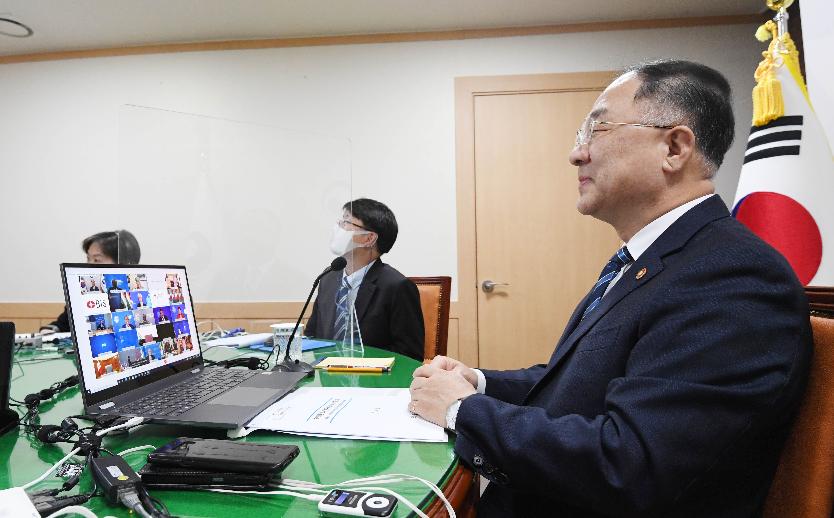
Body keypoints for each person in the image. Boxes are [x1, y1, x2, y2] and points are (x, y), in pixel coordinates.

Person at [409, 60, 812, 517]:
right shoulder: (655, 258)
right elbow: (579, 386)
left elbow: (632, 465)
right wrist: (479, 383)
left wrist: (463, 412)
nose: (576, 154)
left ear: (675, 148)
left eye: (597, 131)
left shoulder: (732, 278)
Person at [306, 198, 425, 361]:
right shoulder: (328, 278)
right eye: (340, 221)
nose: (338, 228)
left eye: (346, 222)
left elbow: (409, 354)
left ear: (369, 238)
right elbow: (313, 336)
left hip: (374, 382)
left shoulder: (396, 286)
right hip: (327, 378)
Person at [40, 230, 141, 334]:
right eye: (88, 259)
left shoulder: (132, 294)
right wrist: (51, 329)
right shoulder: (82, 293)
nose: (89, 265)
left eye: (97, 260)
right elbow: (62, 324)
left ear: (122, 262)